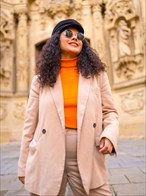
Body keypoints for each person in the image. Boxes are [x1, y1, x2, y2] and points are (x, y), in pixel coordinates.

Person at [18, 19, 119, 196]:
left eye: (80, 36)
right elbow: (30, 124)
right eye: (68, 34)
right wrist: (23, 165)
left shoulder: (97, 76)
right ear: (56, 39)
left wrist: (109, 135)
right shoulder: (40, 80)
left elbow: (110, 112)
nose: (75, 38)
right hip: (46, 155)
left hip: (87, 152)